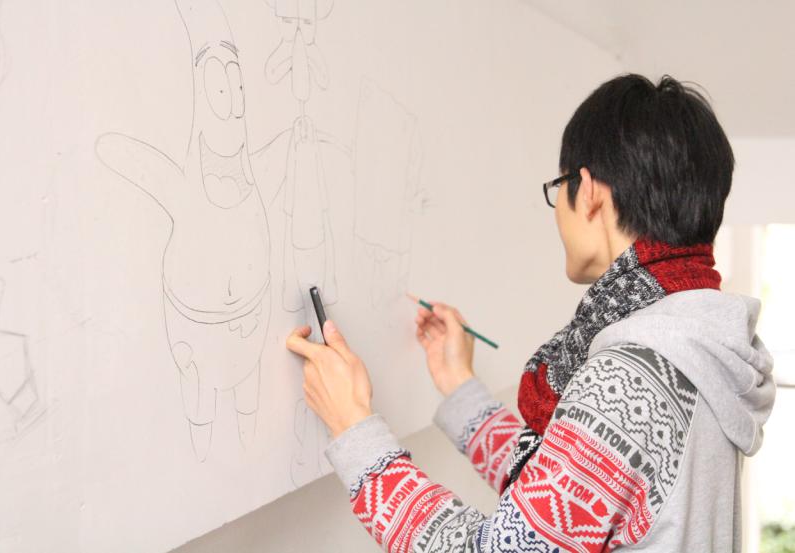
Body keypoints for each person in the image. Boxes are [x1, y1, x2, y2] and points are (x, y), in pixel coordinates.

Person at [285, 74, 775, 552]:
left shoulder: (632, 375)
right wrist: (459, 385)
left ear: (588, 191)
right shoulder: (692, 346)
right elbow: (568, 504)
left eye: (558, 187)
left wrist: (355, 429)